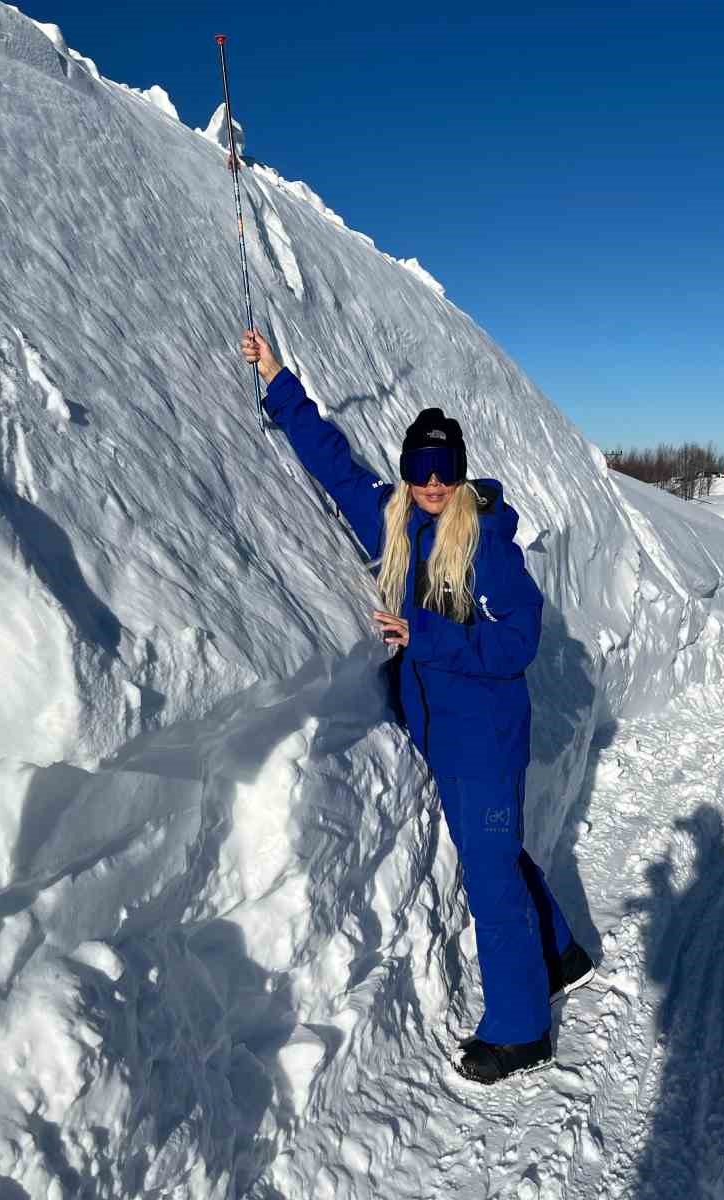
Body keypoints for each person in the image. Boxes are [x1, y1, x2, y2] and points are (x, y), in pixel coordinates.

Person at [239, 330, 595, 1084]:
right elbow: (334, 466)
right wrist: (276, 379)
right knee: (499, 854)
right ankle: (559, 953)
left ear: (461, 475)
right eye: (419, 469)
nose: (432, 483)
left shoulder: (487, 544)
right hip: (446, 732)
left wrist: (425, 635)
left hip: (487, 736)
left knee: (490, 876)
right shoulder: (398, 522)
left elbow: (515, 644)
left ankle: (522, 1030)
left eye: (444, 471)